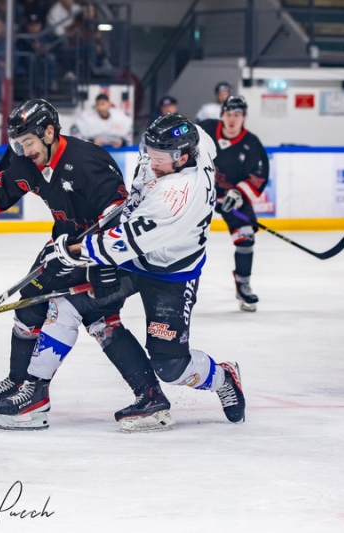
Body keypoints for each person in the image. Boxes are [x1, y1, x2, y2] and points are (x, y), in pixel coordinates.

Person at [0, 98, 167, 431]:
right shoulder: (27, 161)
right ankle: (19, 381)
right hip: (62, 246)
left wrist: (102, 262)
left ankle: (148, 395)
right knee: (26, 307)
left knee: (99, 321)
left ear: (49, 132)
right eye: (18, 144)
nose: (23, 151)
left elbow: (119, 214)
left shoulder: (87, 161)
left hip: (101, 251)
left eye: (28, 142)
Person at [48, 113, 246, 425]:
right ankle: (146, 397)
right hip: (138, 256)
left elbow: (121, 243)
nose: (152, 163)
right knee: (77, 307)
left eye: (160, 160)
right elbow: (202, 132)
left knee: (171, 367)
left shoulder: (176, 198)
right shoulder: (194, 138)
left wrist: (72, 251)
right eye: (149, 154)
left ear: (183, 158)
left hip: (171, 273)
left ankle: (223, 377)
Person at [198, 95, 269, 311]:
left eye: (237, 115)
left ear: (244, 117)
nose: (232, 119)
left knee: (246, 236)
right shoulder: (205, 130)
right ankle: (176, 286)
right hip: (200, 195)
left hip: (233, 198)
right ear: (222, 116)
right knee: (185, 239)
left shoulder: (251, 143)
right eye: (229, 114)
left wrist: (238, 194)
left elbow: (259, 174)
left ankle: (243, 285)